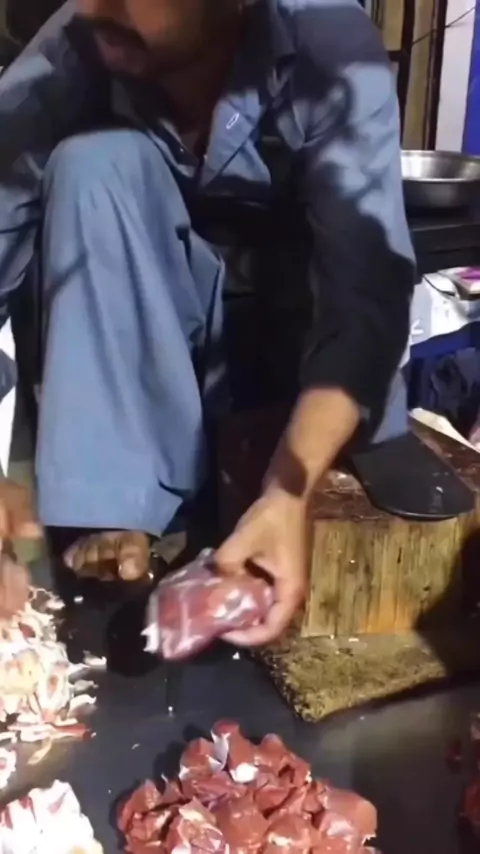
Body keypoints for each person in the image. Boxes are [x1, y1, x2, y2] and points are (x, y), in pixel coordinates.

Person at [0, 0, 415, 643]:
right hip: (144, 349)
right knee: (94, 164)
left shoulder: (327, 46)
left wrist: (288, 489)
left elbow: (364, 297)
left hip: (296, 347)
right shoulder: (79, 44)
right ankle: (117, 503)